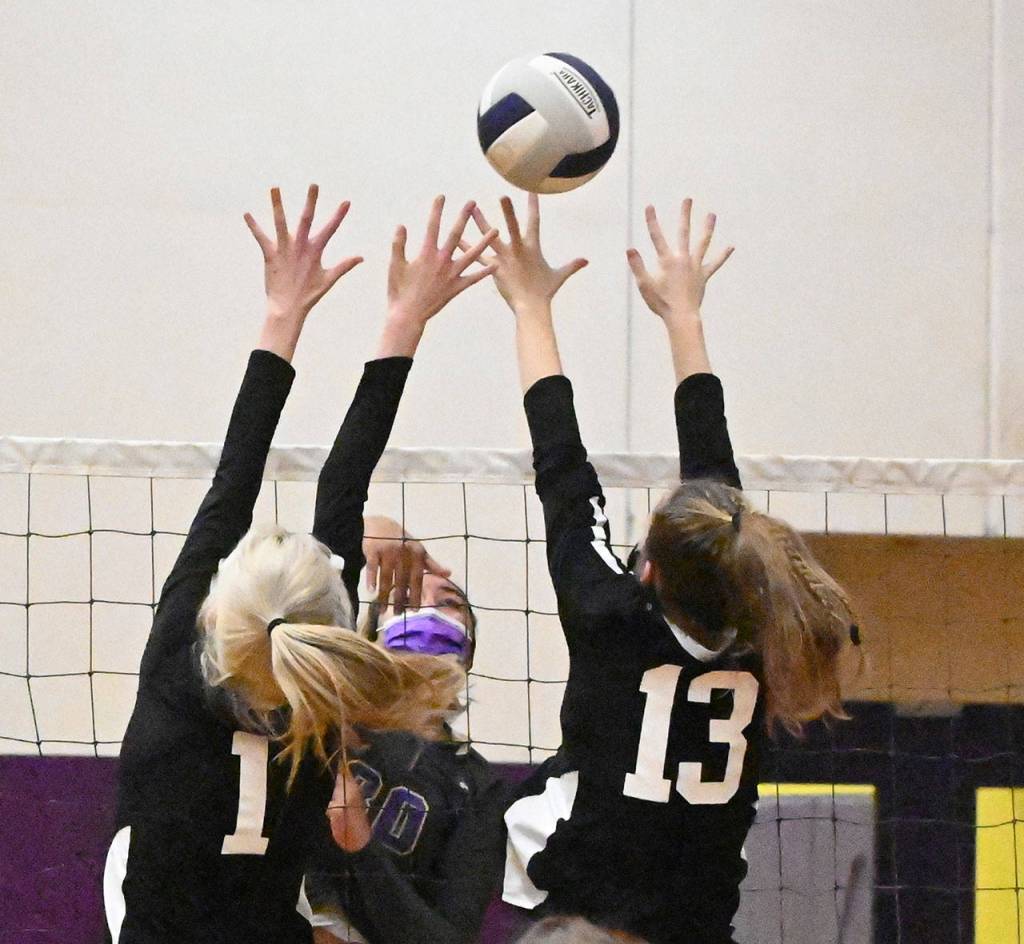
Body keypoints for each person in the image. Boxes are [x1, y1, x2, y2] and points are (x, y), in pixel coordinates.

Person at [103, 186, 498, 943]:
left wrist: (283, 312)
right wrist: (403, 320)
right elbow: (339, 485)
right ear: (334, 623)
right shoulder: (323, 706)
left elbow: (233, 485)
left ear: (217, 611)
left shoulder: (172, 673)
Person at [469, 194, 857, 944]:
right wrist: (684, 316)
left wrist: (530, 307)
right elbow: (715, 491)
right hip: (695, 923)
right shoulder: (763, 628)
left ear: (646, 573)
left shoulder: (607, 615)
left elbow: (563, 468)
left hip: (574, 904)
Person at [301, 519, 509, 944]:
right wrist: (376, 528)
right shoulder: (327, 711)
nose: (428, 609)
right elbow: (298, 578)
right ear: (373, 630)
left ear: (468, 646)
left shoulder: (476, 784)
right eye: (406, 597)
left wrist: (360, 844)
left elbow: (449, 936)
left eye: (449, 602)